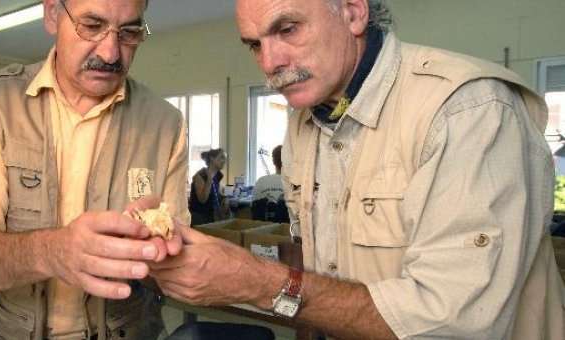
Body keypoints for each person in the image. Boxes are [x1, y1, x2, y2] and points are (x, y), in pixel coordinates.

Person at [149, 0, 564, 339]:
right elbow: (328, 276)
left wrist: (259, 282)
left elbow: (455, 322)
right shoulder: (305, 122)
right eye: (254, 44)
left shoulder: (466, 111)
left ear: (353, 11)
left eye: (288, 29)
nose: (270, 62)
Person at [0, 0, 189, 339]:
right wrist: (52, 251)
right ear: (53, 14)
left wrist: (155, 250)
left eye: (128, 32)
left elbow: (174, 264)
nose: (111, 53)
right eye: (92, 25)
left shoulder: (164, 123)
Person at [188, 148, 229, 226]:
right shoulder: (200, 175)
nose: (224, 161)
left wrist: (225, 198)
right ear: (212, 158)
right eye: (221, 158)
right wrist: (209, 179)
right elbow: (203, 199)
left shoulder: (217, 175)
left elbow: (215, 193)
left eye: (225, 159)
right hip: (199, 217)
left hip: (211, 216)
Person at [251, 145, 289, 222]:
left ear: (273, 161)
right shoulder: (295, 185)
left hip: (261, 230)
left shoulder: (260, 181)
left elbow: (253, 208)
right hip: (285, 231)